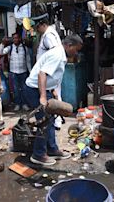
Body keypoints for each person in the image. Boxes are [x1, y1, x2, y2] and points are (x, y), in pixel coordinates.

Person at [24, 34, 83, 166]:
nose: (76, 52)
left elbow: (52, 75)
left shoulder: (61, 54)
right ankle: (38, 155)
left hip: (43, 89)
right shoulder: (57, 54)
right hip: (34, 90)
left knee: (50, 120)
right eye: (76, 49)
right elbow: (42, 74)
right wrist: (43, 96)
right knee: (43, 122)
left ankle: (52, 149)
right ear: (69, 45)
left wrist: (53, 91)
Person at [34, 17, 64, 130]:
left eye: (37, 27)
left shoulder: (48, 36)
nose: (37, 30)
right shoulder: (50, 33)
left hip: (49, 72)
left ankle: (56, 121)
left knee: (53, 96)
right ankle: (57, 119)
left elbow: (54, 53)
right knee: (55, 95)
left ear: (43, 25)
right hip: (50, 71)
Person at [0, 33, 32, 111]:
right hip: (13, 72)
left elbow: (28, 60)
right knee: (16, 89)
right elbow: (1, 52)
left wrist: (30, 71)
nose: (15, 40)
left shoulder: (24, 48)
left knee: (24, 89)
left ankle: (24, 104)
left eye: (17, 38)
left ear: (19, 39)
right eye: (14, 38)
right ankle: (17, 104)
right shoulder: (10, 48)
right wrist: (2, 44)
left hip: (23, 71)